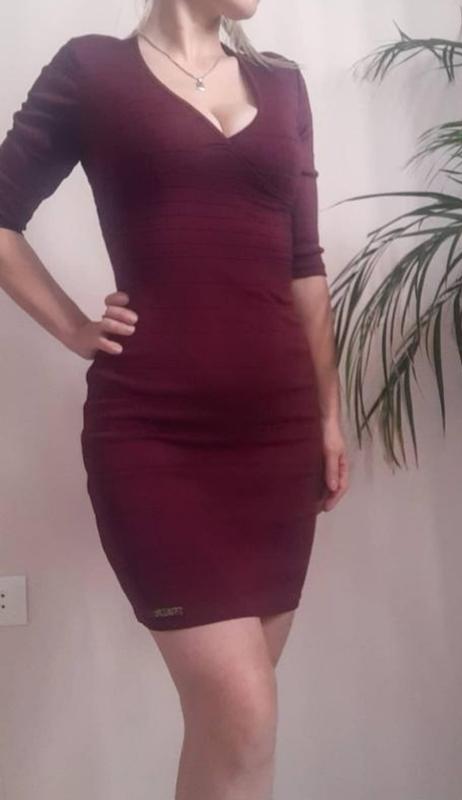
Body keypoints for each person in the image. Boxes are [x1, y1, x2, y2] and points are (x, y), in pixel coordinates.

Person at [0, 1, 349, 797]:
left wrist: (330, 417)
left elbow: (306, 267)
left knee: (225, 733)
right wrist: (72, 326)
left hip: (278, 441)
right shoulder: (91, 71)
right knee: (244, 721)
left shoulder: (284, 86)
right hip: (153, 439)